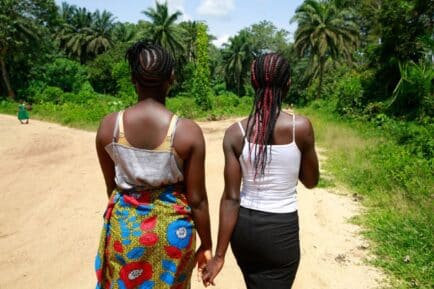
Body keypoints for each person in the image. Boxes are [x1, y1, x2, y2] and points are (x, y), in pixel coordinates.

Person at [95, 41, 212, 289]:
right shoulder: (187, 132)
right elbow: (198, 200)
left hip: (126, 232)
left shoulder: (109, 127)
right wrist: (208, 244)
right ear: (171, 78)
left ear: (132, 79)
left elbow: (111, 187)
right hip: (173, 235)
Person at [202, 53, 319, 289]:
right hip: (280, 233)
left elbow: (231, 198)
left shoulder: (235, 133)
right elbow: (311, 181)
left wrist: (219, 256)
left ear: (252, 83)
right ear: (288, 84)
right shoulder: (301, 128)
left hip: (244, 232)